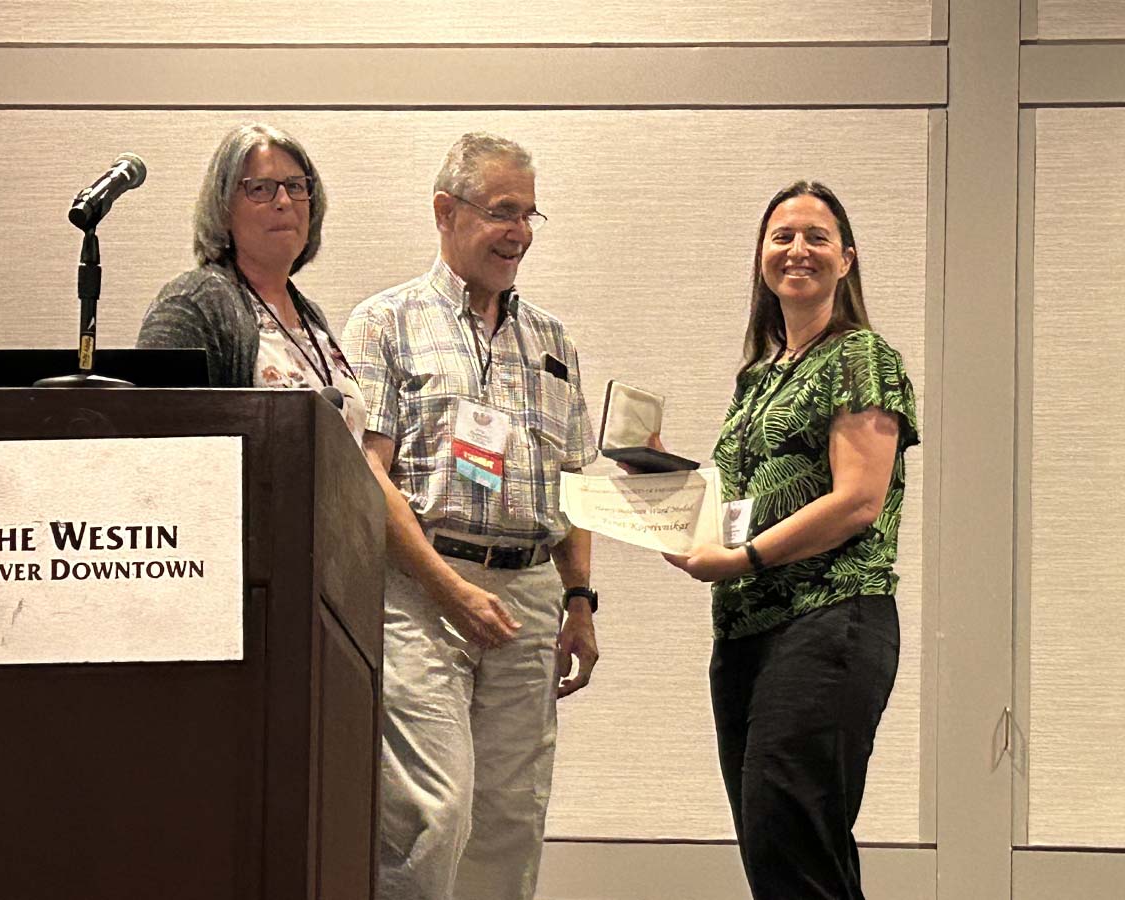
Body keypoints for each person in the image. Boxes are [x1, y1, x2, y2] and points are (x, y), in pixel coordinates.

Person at [343, 132, 599, 900]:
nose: (518, 232)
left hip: (526, 600)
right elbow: (367, 472)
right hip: (423, 592)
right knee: (434, 813)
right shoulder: (383, 324)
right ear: (445, 212)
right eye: (501, 212)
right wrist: (450, 592)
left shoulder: (552, 339)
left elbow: (574, 482)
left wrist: (580, 601)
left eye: (529, 214)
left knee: (508, 822)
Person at [654, 181, 918, 900]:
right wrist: (659, 480)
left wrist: (740, 558)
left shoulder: (861, 356)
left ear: (846, 259)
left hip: (828, 620)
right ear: (762, 258)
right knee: (780, 852)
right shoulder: (759, 378)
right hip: (746, 631)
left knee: (795, 841)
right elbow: (744, 502)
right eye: (782, 236)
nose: (797, 249)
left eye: (817, 236)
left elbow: (857, 500)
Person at [137, 122, 366, 444]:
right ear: (224, 207)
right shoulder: (192, 305)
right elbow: (162, 445)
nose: (284, 201)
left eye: (296, 186)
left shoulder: (310, 315)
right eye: (261, 188)